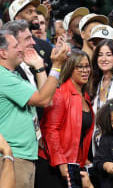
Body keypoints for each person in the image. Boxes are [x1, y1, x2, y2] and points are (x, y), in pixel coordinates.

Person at [0, 30, 69, 188]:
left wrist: (39, 67)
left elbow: (47, 98)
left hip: (23, 154)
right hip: (12, 155)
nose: (20, 49)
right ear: (3, 52)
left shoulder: (13, 76)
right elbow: (43, 100)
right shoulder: (3, 77)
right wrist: (56, 66)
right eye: (16, 46)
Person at [36, 50, 94, 188]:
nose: (85, 70)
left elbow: (79, 136)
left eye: (87, 66)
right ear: (69, 68)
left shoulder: (85, 96)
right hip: (54, 166)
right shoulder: (60, 93)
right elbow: (50, 131)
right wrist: (60, 162)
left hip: (73, 164)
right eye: (79, 67)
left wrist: (83, 159)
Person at [9, 0, 53, 72]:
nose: (35, 15)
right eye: (29, 12)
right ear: (18, 19)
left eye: (35, 11)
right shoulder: (9, 48)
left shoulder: (45, 46)